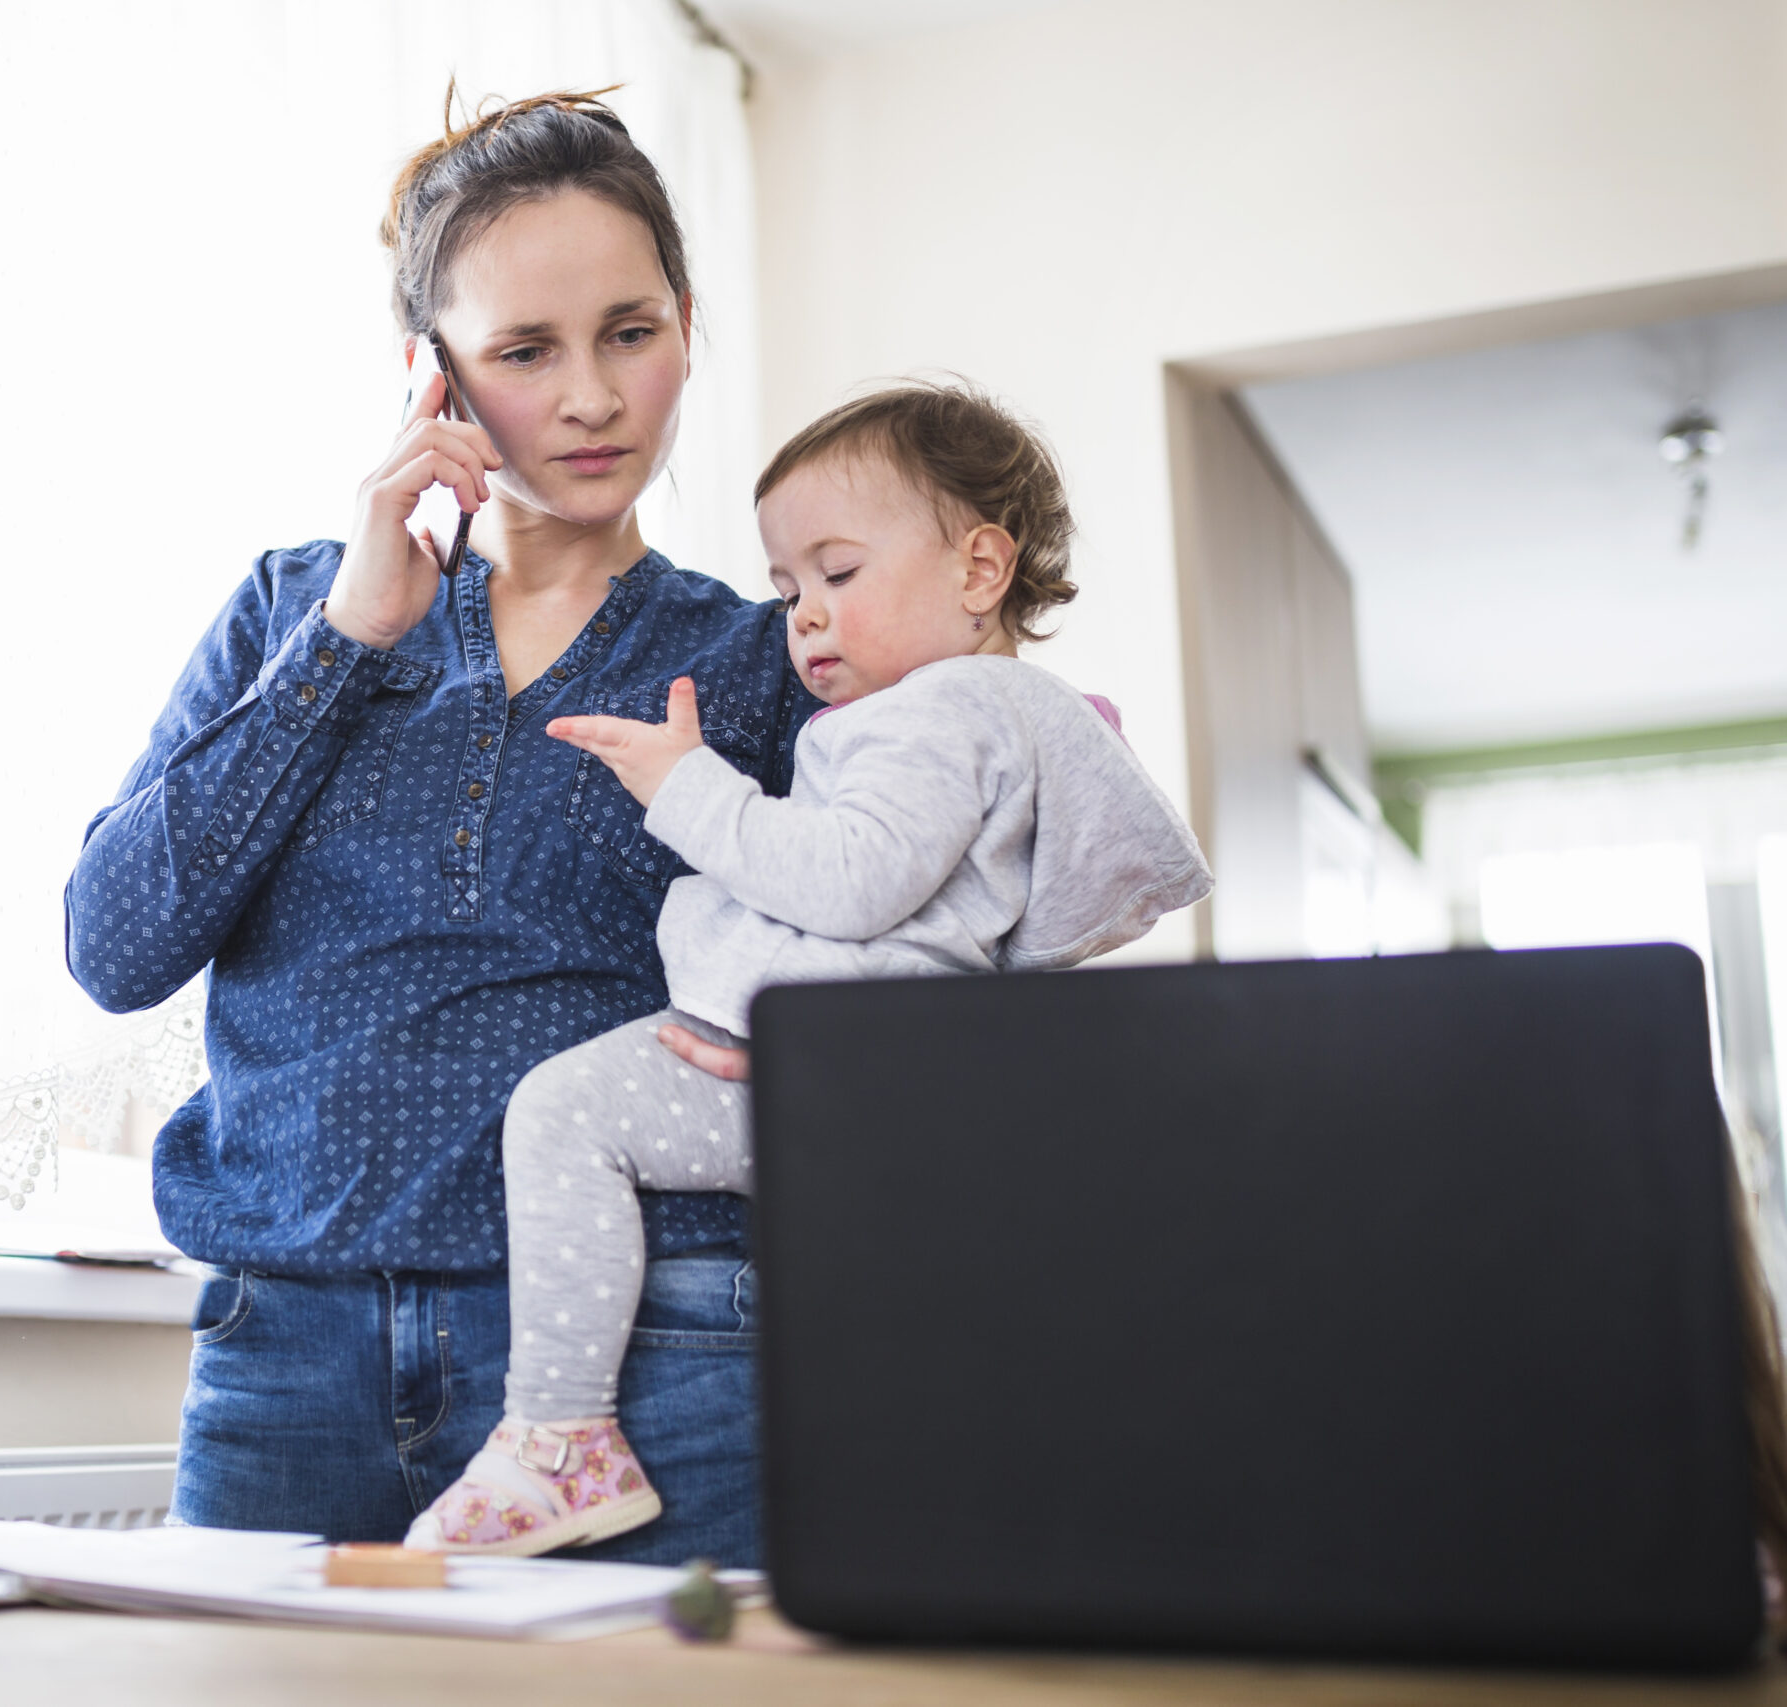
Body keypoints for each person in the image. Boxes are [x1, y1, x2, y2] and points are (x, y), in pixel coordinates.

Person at [63, 89, 815, 1569]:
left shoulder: (758, 660)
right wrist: (349, 638)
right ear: (433, 379)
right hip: (286, 1352)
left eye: (631, 330)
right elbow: (115, 945)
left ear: (684, 326)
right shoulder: (294, 607)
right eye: (526, 351)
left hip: (649, 1350)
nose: (594, 395)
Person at [406, 382, 1215, 1555]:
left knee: (563, 1116)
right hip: (848, 1078)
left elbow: (849, 879)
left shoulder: (944, 712)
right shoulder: (972, 712)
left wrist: (686, 786)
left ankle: (558, 1439)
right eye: (788, 589)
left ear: (980, 570)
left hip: (822, 1072)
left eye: (837, 574)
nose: (805, 618)